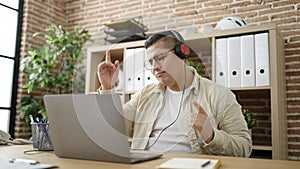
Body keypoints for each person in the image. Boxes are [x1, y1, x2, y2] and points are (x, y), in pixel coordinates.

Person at [97, 30, 252, 157]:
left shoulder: (219, 95)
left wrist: (211, 136)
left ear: (182, 52)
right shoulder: (145, 94)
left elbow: (244, 147)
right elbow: (115, 127)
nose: (154, 68)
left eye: (159, 58)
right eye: (150, 62)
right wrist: (108, 87)